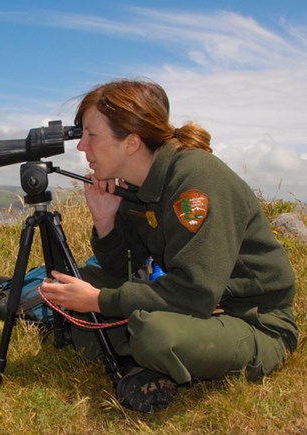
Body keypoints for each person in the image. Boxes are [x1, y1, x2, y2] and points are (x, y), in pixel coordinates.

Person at [39, 78, 299, 413]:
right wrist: (105, 222)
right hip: (197, 305)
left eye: (91, 134)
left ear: (131, 142)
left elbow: (195, 292)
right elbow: (124, 270)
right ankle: (144, 361)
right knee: (80, 283)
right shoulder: (141, 183)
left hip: (252, 320)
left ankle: (144, 353)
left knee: (154, 334)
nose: (81, 147)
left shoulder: (196, 180)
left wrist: (100, 301)